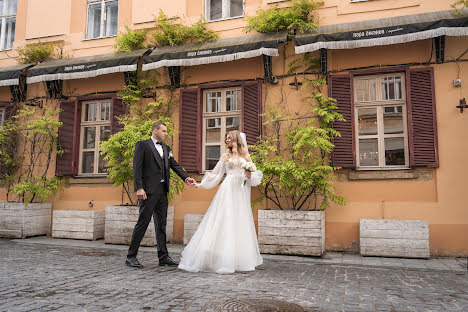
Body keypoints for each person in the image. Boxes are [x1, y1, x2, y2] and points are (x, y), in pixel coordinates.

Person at [178, 130, 263, 274]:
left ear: (235, 139)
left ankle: (239, 259)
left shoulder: (246, 156)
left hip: (241, 192)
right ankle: (219, 258)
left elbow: (254, 179)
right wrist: (200, 184)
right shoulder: (226, 156)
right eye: (226, 138)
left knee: (239, 221)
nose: (227, 140)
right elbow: (216, 174)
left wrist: (249, 174)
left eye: (229, 138)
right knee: (223, 219)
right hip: (228, 189)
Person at [126, 121, 196, 269]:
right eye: (163, 131)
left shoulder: (166, 148)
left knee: (161, 225)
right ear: (155, 131)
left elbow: (174, 165)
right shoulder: (143, 145)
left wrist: (185, 177)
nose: (166, 133)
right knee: (142, 223)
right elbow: (137, 168)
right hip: (148, 192)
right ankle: (131, 256)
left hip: (162, 191)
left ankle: (163, 256)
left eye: (166, 131)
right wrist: (139, 188)